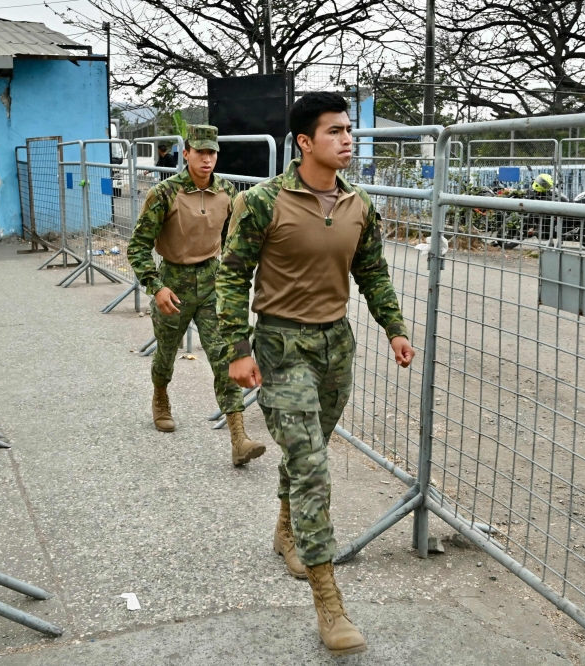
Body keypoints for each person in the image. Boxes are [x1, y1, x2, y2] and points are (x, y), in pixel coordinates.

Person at [216, 92, 415, 655]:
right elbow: (231, 276)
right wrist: (238, 346)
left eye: (349, 130)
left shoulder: (359, 203)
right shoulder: (261, 202)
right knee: (312, 466)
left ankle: (286, 530)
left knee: (309, 452)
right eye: (334, 132)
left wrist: (394, 328)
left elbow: (372, 269)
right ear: (304, 142)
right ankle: (330, 603)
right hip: (280, 345)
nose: (348, 139)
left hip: (335, 345)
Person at [127, 124, 266, 466]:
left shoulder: (227, 192)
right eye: (200, 152)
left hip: (211, 281)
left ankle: (239, 439)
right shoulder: (164, 194)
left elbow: (238, 238)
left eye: (212, 152)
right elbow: (138, 247)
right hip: (172, 284)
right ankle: (160, 396)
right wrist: (155, 286)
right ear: (186, 153)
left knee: (225, 357)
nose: (207, 159)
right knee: (167, 353)